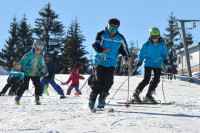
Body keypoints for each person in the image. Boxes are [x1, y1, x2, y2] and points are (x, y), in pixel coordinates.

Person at [88, 18, 132, 109]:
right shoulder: (101, 34)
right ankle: (92, 99)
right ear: (107, 26)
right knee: (98, 81)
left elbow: (124, 49)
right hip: (100, 61)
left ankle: (102, 98)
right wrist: (102, 50)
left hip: (111, 63)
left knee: (108, 81)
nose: (112, 31)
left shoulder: (120, 38)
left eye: (115, 29)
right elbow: (95, 44)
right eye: (111, 28)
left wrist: (127, 56)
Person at [130, 27, 168, 103]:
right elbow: (142, 54)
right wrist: (140, 61)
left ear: (159, 36)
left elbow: (164, 53)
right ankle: (135, 94)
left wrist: (165, 59)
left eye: (156, 37)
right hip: (148, 63)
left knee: (156, 79)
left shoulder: (162, 44)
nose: (155, 38)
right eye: (153, 37)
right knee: (146, 79)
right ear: (150, 36)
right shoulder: (146, 44)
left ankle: (148, 95)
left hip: (158, 64)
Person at [14, 40, 48, 105]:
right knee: (25, 85)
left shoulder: (41, 57)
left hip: (36, 73)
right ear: (34, 48)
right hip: (27, 72)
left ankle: (37, 98)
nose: (39, 51)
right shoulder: (29, 55)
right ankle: (18, 97)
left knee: (38, 85)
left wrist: (45, 71)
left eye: (40, 49)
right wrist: (22, 69)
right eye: (37, 49)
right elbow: (22, 62)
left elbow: (43, 65)